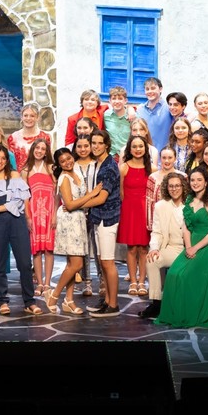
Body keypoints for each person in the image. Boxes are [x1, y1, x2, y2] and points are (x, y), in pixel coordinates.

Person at [156, 166, 208, 328]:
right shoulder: (189, 200)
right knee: (174, 274)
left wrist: (195, 248)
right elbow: (186, 227)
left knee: (185, 275)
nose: (195, 183)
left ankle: (194, 313)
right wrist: (188, 247)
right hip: (192, 244)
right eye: (193, 180)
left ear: (206, 182)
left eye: (199, 180)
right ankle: (177, 313)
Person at [0, 145, 40, 315]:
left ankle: (29, 301)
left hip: (17, 222)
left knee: (24, 263)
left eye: (3, 158)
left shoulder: (14, 176)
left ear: (7, 161)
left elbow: (19, 201)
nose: (0, 161)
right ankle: (2, 301)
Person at [46, 148, 102, 315]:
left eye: (68, 158)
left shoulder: (76, 172)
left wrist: (88, 198)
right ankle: (54, 295)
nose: (67, 162)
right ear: (59, 164)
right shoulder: (63, 178)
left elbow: (79, 200)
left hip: (79, 220)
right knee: (76, 264)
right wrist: (92, 194)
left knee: (72, 265)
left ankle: (69, 300)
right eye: (62, 161)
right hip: (70, 221)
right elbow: (69, 205)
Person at [140, 172, 188, 319]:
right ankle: (157, 302)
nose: (174, 189)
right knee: (152, 260)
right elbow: (157, 231)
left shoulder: (192, 204)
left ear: (183, 186)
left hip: (189, 249)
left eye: (177, 186)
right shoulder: (161, 206)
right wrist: (154, 248)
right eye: (171, 186)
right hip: (171, 248)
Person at [87, 130, 122, 317]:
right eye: (93, 142)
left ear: (106, 145)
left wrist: (80, 204)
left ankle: (114, 304)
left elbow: (101, 198)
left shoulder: (109, 167)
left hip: (107, 218)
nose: (95, 146)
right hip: (99, 218)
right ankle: (107, 300)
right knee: (102, 261)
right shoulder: (99, 163)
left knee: (108, 262)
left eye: (99, 143)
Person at [21, 138, 56, 296]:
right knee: (36, 250)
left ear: (46, 151)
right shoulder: (26, 170)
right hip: (34, 214)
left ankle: (48, 283)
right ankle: (40, 283)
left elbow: (57, 194)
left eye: (43, 148)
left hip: (49, 213)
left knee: (49, 249)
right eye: (37, 148)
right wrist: (27, 217)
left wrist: (55, 214)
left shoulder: (51, 168)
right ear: (33, 149)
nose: (40, 151)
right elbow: (24, 196)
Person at [119, 135, 152, 297]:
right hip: (130, 210)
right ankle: (133, 281)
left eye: (141, 146)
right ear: (129, 149)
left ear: (145, 148)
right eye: (134, 146)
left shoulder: (150, 168)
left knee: (144, 248)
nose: (138, 149)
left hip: (145, 210)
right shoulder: (124, 167)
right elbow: (121, 193)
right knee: (132, 248)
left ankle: (142, 280)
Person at [71, 135, 98, 298]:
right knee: (82, 248)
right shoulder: (72, 166)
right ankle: (86, 282)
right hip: (78, 211)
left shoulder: (96, 164)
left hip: (96, 209)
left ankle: (101, 280)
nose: (83, 149)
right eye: (79, 146)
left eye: (86, 146)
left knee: (98, 248)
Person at [8, 102, 53, 169]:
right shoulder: (13, 138)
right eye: (25, 115)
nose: (28, 118)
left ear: (37, 118)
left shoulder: (45, 137)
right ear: (22, 117)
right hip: (18, 176)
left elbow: (48, 160)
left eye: (32, 116)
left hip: (38, 176)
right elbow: (9, 161)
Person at [136, 77, 171, 151]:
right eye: (147, 89)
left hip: (164, 156)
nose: (150, 91)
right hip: (145, 155)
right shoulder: (140, 109)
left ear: (160, 89)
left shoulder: (168, 107)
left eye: (153, 88)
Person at [102, 87, 135, 159]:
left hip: (128, 156)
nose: (117, 101)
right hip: (111, 156)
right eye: (114, 98)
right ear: (109, 101)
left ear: (125, 101)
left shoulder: (132, 117)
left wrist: (131, 108)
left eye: (120, 98)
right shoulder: (106, 115)